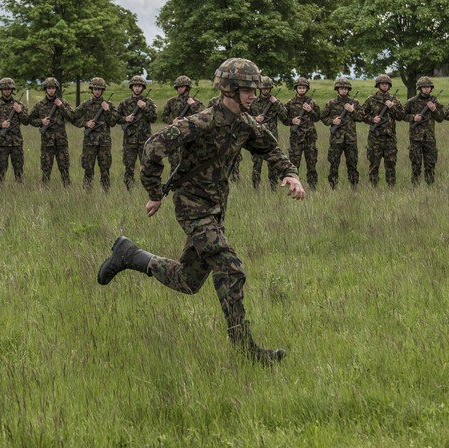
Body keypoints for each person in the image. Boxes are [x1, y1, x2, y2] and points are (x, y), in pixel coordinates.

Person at [98, 58, 305, 365]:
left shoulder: (245, 123)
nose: (253, 95)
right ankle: (246, 352)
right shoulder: (201, 121)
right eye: (248, 89)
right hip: (192, 208)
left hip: (216, 209)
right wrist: (156, 192)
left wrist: (289, 173)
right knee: (232, 269)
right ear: (230, 90)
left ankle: (131, 255)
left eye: (255, 89)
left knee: (189, 280)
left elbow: (270, 148)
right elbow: (153, 146)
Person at [74, 77, 117, 190]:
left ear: (103, 90)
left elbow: (113, 122)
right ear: (91, 89)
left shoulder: (109, 105)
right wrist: (86, 123)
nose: (97, 91)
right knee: (88, 169)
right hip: (89, 143)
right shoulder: (85, 104)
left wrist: (107, 110)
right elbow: (73, 118)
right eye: (95, 89)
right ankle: (87, 194)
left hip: (104, 143)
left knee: (105, 169)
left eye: (100, 89)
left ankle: (106, 193)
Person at [360, 74, 404, 187]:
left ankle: (391, 187)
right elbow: (361, 115)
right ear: (378, 85)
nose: (384, 85)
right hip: (375, 138)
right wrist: (372, 119)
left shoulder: (395, 100)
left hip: (390, 138)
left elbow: (401, 116)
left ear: (389, 86)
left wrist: (392, 107)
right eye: (382, 84)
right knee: (374, 164)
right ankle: (374, 187)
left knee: (391, 164)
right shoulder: (371, 100)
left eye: (387, 84)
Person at [403, 76, 447, 185]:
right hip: (415, 138)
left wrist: (434, 109)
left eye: (428, 87)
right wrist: (413, 117)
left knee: (430, 165)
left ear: (431, 88)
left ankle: (430, 187)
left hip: (430, 139)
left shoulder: (435, 101)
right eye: (424, 87)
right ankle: (415, 187)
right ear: (419, 88)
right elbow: (401, 115)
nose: (426, 89)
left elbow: (441, 118)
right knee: (416, 165)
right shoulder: (411, 102)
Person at [0, 77, 30, 183]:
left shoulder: (19, 104)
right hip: (2, 143)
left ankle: (20, 193)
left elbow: (26, 121)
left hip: (16, 143)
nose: (7, 91)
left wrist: (19, 111)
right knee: (1, 171)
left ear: (12, 90)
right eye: (4, 89)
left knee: (19, 171)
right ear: (1, 90)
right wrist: (1, 125)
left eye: (9, 89)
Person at [320, 77, 362, 189]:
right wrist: (332, 121)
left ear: (349, 90)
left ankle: (354, 187)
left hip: (350, 139)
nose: (344, 90)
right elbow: (323, 117)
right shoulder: (331, 103)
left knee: (352, 164)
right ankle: (333, 187)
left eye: (346, 88)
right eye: (341, 88)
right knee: (334, 164)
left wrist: (352, 111)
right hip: (336, 139)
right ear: (337, 89)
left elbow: (361, 117)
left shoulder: (355, 103)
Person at [31, 77, 73, 185]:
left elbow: (72, 117)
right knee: (46, 169)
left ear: (56, 89)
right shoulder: (39, 105)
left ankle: (67, 190)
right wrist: (41, 121)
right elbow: (30, 120)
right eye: (49, 88)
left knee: (64, 168)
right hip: (47, 142)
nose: (51, 90)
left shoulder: (63, 102)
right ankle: (44, 192)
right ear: (45, 89)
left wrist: (61, 106)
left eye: (53, 88)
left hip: (61, 142)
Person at [119, 76, 158, 190]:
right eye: (135, 86)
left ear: (143, 87)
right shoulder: (124, 103)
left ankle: (147, 189)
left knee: (146, 166)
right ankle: (129, 190)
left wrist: (144, 107)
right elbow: (115, 118)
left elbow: (153, 118)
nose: (137, 88)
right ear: (131, 87)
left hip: (144, 141)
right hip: (129, 141)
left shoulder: (149, 102)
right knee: (129, 167)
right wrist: (125, 119)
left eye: (139, 86)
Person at [282, 76, 321, 189]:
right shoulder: (290, 103)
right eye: (300, 87)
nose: (302, 90)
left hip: (310, 138)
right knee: (294, 165)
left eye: (304, 88)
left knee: (312, 164)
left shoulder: (312, 102)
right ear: (296, 89)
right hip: (296, 139)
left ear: (307, 89)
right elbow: (283, 118)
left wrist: (310, 110)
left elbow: (317, 118)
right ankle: (294, 187)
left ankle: (313, 187)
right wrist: (292, 121)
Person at [247, 76, 285, 188]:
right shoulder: (253, 102)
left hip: (271, 138)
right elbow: (245, 117)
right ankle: (255, 188)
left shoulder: (275, 102)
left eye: (268, 88)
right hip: (256, 137)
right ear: (260, 89)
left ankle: (273, 188)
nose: (266, 91)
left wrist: (276, 103)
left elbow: (284, 117)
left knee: (272, 164)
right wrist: (255, 118)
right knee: (257, 164)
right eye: (264, 88)